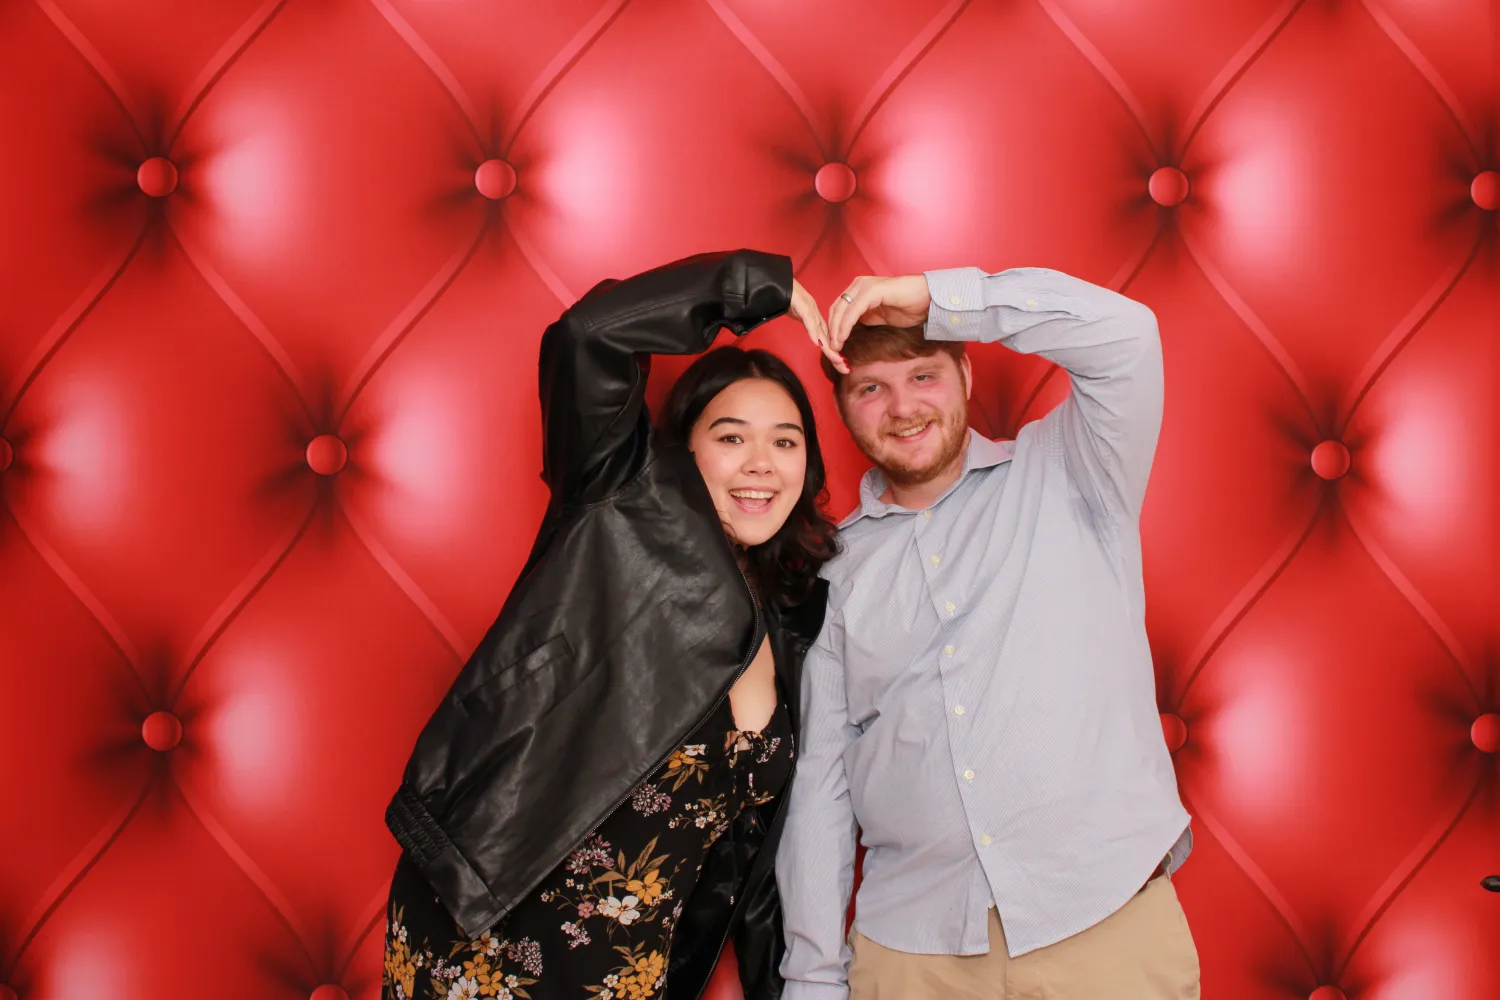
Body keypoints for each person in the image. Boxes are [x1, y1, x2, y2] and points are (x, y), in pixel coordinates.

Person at [381, 249, 844, 1000]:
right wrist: (762, 288)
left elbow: (747, 862)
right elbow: (586, 335)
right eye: (731, 437)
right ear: (683, 450)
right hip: (492, 923)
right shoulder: (621, 499)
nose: (761, 462)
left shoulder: (791, 622)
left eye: (785, 441)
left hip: (628, 967)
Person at [776, 267, 1199, 999]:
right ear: (844, 409)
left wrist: (943, 300)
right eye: (870, 388)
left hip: (1101, 925)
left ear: (966, 368)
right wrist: (812, 978)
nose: (902, 408)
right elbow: (821, 785)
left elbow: (1128, 337)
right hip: (913, 954)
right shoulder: (835, 575)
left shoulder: (1071, 470)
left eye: (923, 374)